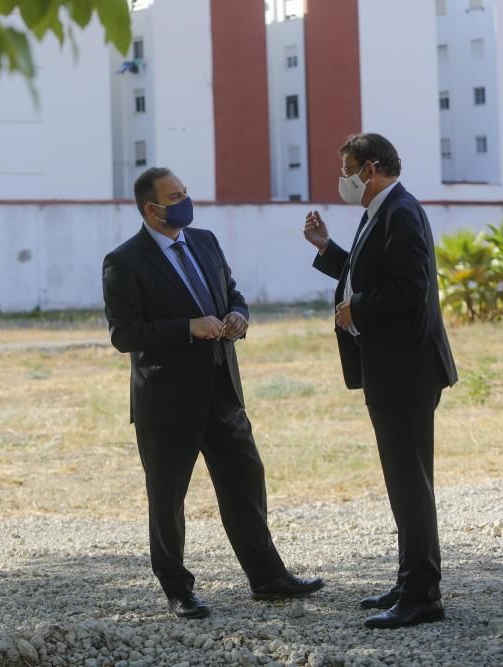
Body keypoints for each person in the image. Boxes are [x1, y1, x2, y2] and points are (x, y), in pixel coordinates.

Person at [102, 167, 323, 620]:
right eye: (175, 195)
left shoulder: (205, 241)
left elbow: (233, 294)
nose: (185, 199)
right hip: (166, 402)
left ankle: (268, 578)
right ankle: (178, 590)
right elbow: (125, 333)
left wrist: (238, 315)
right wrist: (188, 328)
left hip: (222, 390)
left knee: (246, 483)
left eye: (185, 191)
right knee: (168, 500)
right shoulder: (123, 261)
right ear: (151, 208)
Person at [303, 133, 458, 629]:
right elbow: (363, 270)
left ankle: (422, 596)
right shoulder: (382, 212)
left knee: (409, 484)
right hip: (390, 368)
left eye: (347, 170)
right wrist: (327, 249)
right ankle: (409, 578)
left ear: (370, 169)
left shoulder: (401, 212)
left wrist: (357, 309)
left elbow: (411, 289)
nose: (343, 181)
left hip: (406, 370)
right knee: (405, 483)